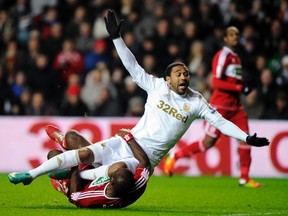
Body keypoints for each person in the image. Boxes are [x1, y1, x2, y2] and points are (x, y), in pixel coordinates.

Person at [8, 10, 269, 193]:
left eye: (187, 74)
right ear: (167, 79)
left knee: (114, 170)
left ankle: (76, 174)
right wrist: (116, 39)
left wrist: (246, 138)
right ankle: (30, 175)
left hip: (142, 159)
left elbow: (221, 122)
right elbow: (132, 66)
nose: (185, 77)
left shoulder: (197, 101)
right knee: (85, 153)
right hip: (125, 141)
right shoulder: (155, 86)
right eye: (179, 73)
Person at [164, 26, 262, 188]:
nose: (235, 37)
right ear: (225, 38)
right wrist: (239, 88)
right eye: (231, 35)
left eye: (237, 35)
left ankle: (244, 178)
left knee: (245, 138)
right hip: (220, 105)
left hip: (236, 106)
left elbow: (232, 82)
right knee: (208, 142)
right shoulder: (222, 55)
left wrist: (243, 86)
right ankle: (175, 155)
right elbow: (215, 82)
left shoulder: (236, 57)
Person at [46, 126, 150, 208]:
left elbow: (75, 197)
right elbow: (145, 163)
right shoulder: (138, 183)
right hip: (96, 169)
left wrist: (74, 164)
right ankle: (67, 145)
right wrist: (128, 137)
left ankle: (63, 184)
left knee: (53, 155)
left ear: (111, 181)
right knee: (71, 136)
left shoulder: (96, 197)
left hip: (78, 184)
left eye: (113, 175)